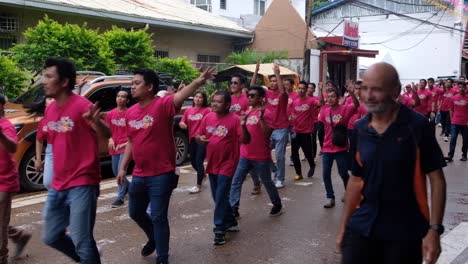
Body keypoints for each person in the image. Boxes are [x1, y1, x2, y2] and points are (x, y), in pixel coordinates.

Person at [337, 62, 447, 264]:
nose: (368, 95)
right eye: (364, 88)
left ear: (395, 91)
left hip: (404, 232)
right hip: (362, 225)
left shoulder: (417, 126)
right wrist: (344, 227)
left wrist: (434, 230)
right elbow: (355, 180)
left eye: (376, 89)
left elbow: (437, 179)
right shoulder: (360, 128)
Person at [116, 67, 215, 264]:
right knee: (135, 212)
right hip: (139, 174)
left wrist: (198, 81)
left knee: (159, 216)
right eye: (132, 83)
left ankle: (162, 256)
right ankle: (153, 238)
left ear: (150, 86)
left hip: (162, 173)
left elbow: (180, 96)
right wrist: (123, 168)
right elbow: (131, 141)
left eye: (137, 83)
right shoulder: (131, 113)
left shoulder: (162, 105)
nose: (132, 86)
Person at [40, 58, 110, 263]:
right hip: (58, 184)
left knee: (81, 239)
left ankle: (87, 256)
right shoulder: (50, 109)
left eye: (49, 76)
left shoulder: (82, 106)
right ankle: (87, 258)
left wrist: (97, 123)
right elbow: (52, 140)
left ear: (64, 82)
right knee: (51, 236)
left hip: (82, 182)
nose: (44, 81)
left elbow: (106, 134)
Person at [229, 86, 283, 221]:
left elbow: (266, 134)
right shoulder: (247, 112)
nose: (249, 98)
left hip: (261, 156)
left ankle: (277, 204)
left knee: (267, 182)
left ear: (261, 98)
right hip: (245, 154)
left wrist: (262, 118)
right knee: (236, 181)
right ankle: (234, 209)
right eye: (249, 95)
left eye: (253, 96)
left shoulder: (267, 113)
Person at [195, 90, 240, 246]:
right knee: (217, 196)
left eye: (218, 101)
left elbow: (245, 139)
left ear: (227, 105)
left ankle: (219, 229)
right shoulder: (208, 117)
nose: (214, 103)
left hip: (228, 164)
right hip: (212, 163)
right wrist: (200, 139)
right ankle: (231, 219)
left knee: (220, 195)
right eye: (213, 100)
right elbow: (198, 136)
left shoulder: (234, 120)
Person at [0, 94, 32, 264]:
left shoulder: (6, 126)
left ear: (2, 106)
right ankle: (20, 236)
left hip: (4, 181)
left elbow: (13, 147)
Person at [318, 87, 359, 208]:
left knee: (343, 173)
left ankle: (349, 193)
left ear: (339, 98)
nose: (330, 99)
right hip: (327, 147)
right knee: (325, 174)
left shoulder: (345, 109)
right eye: (328, 97)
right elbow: (322, 127)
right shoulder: (325, 110)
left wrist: (351, 93)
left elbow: (356, 105)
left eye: (332, 97)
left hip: (340, 148)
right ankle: (330, 197)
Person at [252, 63, 289, 189]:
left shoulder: (283, 95)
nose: (273, 83)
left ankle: (280, 179)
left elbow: (282, 90)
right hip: (268, 129)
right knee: (263, 153)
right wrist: (256, 71)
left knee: (279, 155)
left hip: (281, 128)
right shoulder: (266, 93)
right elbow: (252, 88)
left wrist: (277, 73)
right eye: (271, 81)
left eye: (275, 81)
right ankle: (275, 170)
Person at [229, 73, 262, 195]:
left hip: (244, 133)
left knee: (247, 160)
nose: (232, 85)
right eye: (231, 82)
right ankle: (233, 182)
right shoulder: (229, 98)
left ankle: (257, 182)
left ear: (242, 85)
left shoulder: (246, 98)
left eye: (235, 83)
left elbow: (253, 111)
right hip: (231, 133)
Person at [179, 90, 211, 194]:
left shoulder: (207, 110)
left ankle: (198, 185)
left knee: (198, 161)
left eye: (200, 97)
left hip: (202, 139)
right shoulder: (189, 110)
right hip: (192, 138)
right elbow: (182, 121)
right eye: (196, 97)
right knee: (193, 162)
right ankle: (203, 175)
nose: (197, 99)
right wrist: (182, 124)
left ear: (204, 100)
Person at [290, 81, 321, 180]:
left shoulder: (311, 101)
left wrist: (320, 90)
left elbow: (321, 103)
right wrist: (291, 118)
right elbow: (293, 115)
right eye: (299, 88)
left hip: (306, 132)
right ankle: (298, 173)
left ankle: (312, 165)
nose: (300, 90)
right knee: (294, 154)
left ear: (306, 89)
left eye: (303, 88)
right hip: (296, 131)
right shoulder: (295, 102)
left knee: (308, 153)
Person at [105, 89, 130, 207]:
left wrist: (126, 144)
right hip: (114, 147)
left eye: (123, 97)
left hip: (126, 147)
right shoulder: (110, 114)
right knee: (116, 172)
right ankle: (130, 187)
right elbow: (107, 131)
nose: (120, 98)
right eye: (118, 96)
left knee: (121, 171)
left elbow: (134, 133)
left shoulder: (130, 114)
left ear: (127, 100)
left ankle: (120, 198)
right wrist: (110, 139)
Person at [445, 82, 468, 162]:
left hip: (465, 123)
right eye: (460, 87)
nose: (461, 88)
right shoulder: (453, 98)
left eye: (463, 87)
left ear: (465, 88)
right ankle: (450, 156)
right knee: (453, 139)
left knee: (465, 140)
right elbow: (451, 109)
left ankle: (464, 155)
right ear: (458, 88)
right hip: (455, 122)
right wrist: (452, 120)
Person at [307, 82, 322, 159]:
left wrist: (320, 90)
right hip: (304, 122)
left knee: (313, 139)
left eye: (311, 88)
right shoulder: (302, 98)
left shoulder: (315, 99)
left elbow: (320, 103)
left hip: (314, 122)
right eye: (308, 87)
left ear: (314, 90)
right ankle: (307, 154)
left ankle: (313, 156)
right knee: (306, 139)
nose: (309, 89)